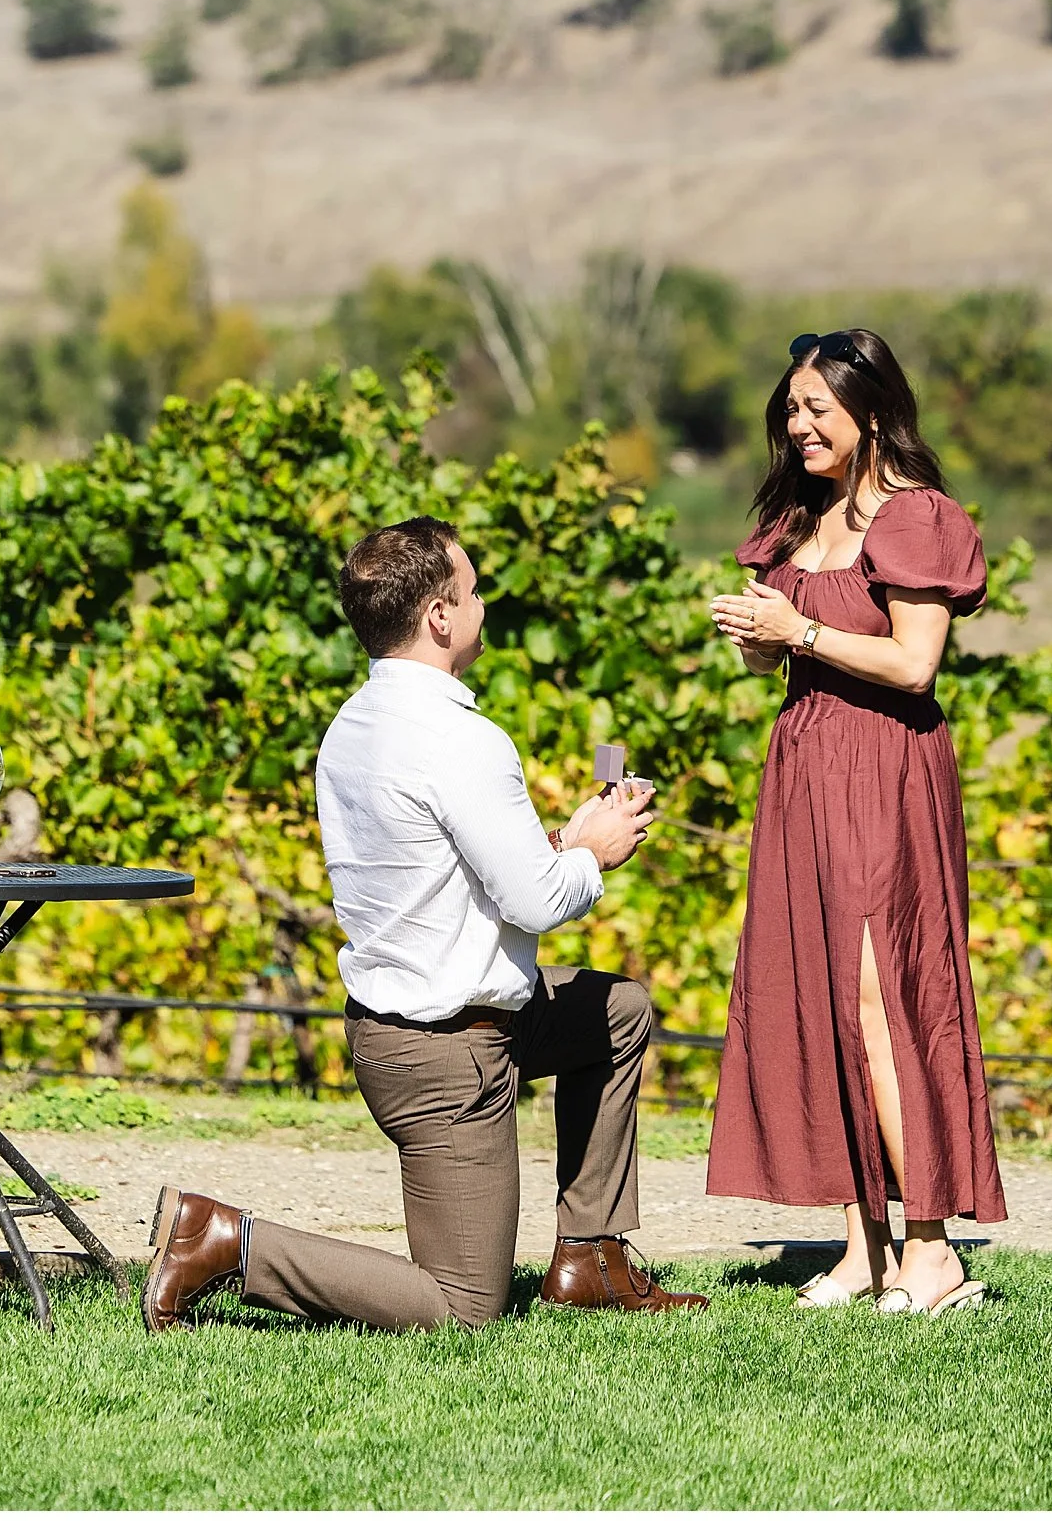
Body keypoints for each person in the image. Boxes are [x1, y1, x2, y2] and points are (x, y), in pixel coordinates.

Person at [142, 514, 707, 1333]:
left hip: (405, 1027)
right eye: (472, 592)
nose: (483, 605)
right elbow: (537, 903)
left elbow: (444, 873)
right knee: (462, 1308)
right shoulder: (461, 739)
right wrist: (596, 856)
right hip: (447, 1056)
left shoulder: (353, 726)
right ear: (440, 616)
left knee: (618, 1011)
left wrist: (561, 843)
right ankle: (226, 1243)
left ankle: (592, 1259)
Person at [705, 330, 1006, 1317]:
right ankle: (863, 1246)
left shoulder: (918, 516)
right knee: (822, 995)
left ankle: (932, 1250)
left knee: (884, 998)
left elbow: (915, 664)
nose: (798, 427)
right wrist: (759, 638)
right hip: (804, 762)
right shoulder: (798, 518)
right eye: (790, 411)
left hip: (886, 766)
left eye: (817, 410)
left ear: (872, 412)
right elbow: (779, 659)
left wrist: (800, 628)